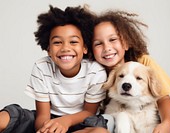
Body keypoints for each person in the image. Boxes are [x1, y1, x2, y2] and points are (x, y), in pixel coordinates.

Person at [0, 5, 109, 133]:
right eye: (57, 42)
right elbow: (42, 115)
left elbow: (89, 112)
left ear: (85, 47)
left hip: (81, 122)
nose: (65, 48)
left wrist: (65, 121)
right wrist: (46, 129)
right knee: (7, 116)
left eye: (73, 42)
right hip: (49, 121)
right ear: (48, 50)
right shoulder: (42, 68)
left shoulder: (95, 72)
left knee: (100, 131)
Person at [89, 10, 170, 133]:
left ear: (126, 43)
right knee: (106, 122)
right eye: (98, 43)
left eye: (113, 39)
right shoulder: (94, 71)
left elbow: (163, 98)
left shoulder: (144, 62)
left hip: (148, 114)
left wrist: (166, 124)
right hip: (116, 117)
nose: (107, 48)